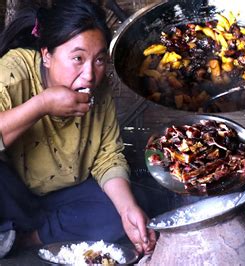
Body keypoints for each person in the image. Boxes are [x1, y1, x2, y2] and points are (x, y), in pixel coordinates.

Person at [0, 0, 156, 258]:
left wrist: (128, 211)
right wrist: (41, 104)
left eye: (99, 60)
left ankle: (26, 239)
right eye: (77, 58)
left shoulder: (99, 89)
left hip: (61, 199)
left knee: (131, 203)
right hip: (11, 198)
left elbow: (108, 157)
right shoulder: (14, 73)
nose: (89, 75)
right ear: (47, 55)